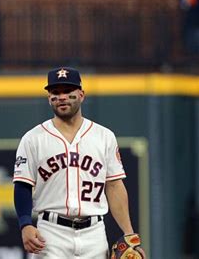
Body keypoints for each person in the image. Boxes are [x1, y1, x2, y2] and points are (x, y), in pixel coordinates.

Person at [12, 67, 145, 258]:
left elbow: (114, 186)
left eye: (68, 91)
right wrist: (25, 224)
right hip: (51, 233)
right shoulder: (33, 138)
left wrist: (129, 233)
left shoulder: (104, 136)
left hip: (94, 233)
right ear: (49, 98)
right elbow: (23, 185)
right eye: (55, 93)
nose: (62, 97)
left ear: (81, 95)